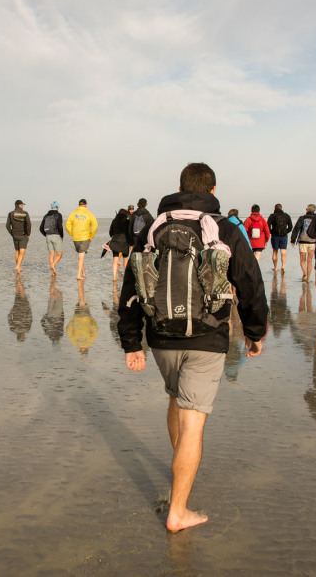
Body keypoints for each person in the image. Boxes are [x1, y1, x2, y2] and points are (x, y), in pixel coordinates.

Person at [118, 162, 269, 532]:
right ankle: (178, 511)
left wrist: (131, 341)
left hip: (160, 336)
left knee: (176, 398)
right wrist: (254, 331)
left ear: (181, 187)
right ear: (212, 189)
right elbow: (249, 281)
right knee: (193, 424)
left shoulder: (155, 226)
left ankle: (178, 469)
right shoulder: (225, 228)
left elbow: (131, 286)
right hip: (207, 337)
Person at [65, 198, 98, 280]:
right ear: (86, 205)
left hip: (75, 237)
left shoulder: (73, 214)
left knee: (80, 254)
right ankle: (78, 275)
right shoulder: (89, 214)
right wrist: (91, 236)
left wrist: (72, 233)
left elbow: (67, 225)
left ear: (79, 205)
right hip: (85, 237)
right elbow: (95, 226)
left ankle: (83, 272)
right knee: (81, 255)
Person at [290, 204, 316, 282]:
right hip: (312, 242)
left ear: (308, 210)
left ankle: (304, 272)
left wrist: (293, 240)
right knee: (310, 261)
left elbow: (296, 229)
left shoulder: (302, 218)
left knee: (302, 260)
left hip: (303, 241)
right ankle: (308, 279)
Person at [40, 201, 65, 275]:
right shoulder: (59, 215)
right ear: (57, 207)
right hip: (56, 236)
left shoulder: (45, 215)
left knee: (51, 254)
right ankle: (53, 265)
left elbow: (41, 228)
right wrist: (62, 235)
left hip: (48, 236)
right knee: (59, 254)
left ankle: (52, 272)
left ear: (51, 207)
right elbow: (60, 227)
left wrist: (46, 235)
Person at [6, 199, 31, 274]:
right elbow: (29, 225)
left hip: (15, 235)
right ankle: (18, 266)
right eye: (21, 205)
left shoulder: (11, 213)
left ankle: (18, 266)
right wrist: (28, 234)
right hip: (23, 235)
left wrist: (12, 233)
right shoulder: (25, 213)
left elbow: (7, 225)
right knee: (22, 252)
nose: (22, 206)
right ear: (18, 205)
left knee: (17, 251)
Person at [267, 203, 293, 272]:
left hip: (275, 236)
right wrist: (286, 232)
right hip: (284, 236)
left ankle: (275, 267)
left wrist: (272, 232)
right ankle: (283, 266)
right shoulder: (286, 216)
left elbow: (268, 226)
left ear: (274, 208)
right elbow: (290, 227)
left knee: (275, 252)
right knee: (283, 252)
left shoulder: (272, 216)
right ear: (281, 208)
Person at [107, 208, 132, 281]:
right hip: (124, 241)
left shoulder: (114, 220)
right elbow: (129, 232)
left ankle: (114, 277)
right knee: (125, 259)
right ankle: (126, 275)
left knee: (115, 260)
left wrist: (114, 236)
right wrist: (131, 242)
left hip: (115, 240)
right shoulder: (126, 221)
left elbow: (110, 232)